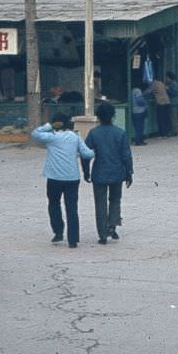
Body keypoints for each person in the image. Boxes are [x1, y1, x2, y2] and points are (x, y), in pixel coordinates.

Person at [31, 112, 94, 248]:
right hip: (72, 178)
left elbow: (35, 133)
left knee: (54, 204)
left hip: (54, 177)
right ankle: (73, 239)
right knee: (72, 207)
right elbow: (87, 154)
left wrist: (48, 125)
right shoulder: (75, 137)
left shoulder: (51, 137)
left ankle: (58, 232)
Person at [82, 103, 134, 245]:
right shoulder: (120, 133)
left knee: (100, 203)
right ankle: (112, 224)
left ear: (98, 116)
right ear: (113, 116)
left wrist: (85, 171)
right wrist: (129, 173)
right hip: (117, 172)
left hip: (99, 172)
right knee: (115, 199)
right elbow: (126, 155)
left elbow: (86, 154)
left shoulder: (94, 133)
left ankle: (102, 234)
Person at [165, 72, 178, 136]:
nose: (166, 79)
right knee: (173, 117)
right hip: (173, 102)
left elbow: (174, 93)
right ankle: (175, 130)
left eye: (167, 77)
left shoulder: (173, 84)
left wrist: (167, 90)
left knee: (173, 117)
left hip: (173, 102)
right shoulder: (172, 84)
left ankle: (174, 131)